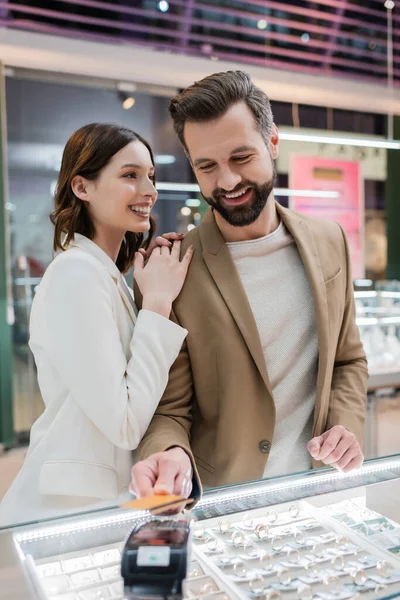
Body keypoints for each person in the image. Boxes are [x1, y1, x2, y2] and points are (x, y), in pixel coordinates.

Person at [130, 71, 368, 501]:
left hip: (324, 497)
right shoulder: (171, 270)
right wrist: (170, 453)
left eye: (241, 158)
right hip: (226, 512)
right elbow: (167, 409)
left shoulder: (329, 241)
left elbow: (348, 361)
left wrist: (345, 423)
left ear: (272, 142)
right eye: (207, 166)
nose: (227, 182)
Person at [0, 123, 193, 524]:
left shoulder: (103, 275)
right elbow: (124, 424)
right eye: (130, 175)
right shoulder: (76, 274)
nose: (149, 190)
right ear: (82, 187)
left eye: (151, 177)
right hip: (66, 512)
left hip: (93, 502)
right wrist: (157, 305)